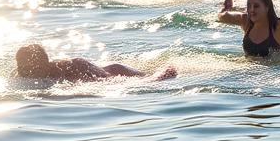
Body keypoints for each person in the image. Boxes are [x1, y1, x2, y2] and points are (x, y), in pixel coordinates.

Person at [15, 44, 177, 82]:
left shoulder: (72, 68)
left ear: (42, 63)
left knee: (150, 80)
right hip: (106, 68)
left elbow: (110, 81)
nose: (21, 69)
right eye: (19, 64)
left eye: (26, 65)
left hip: (117, 71)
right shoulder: (22, 74)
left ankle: (163, 74)